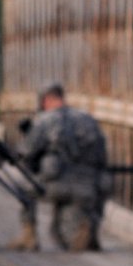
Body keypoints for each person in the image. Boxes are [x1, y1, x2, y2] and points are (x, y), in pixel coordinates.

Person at [12, 83, 110, 252]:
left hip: (53, 184)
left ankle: (29, 236)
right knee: (100, 187)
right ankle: (89, 231)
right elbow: (102, 157)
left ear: (47, 99)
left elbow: (26, 152)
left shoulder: (45, 120)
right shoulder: (88, 119)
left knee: (22, 186)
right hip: (87, 187)